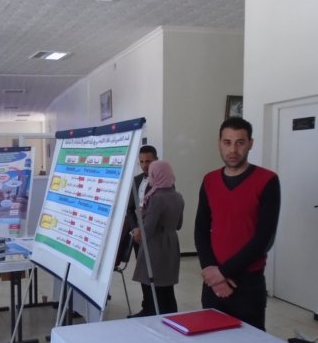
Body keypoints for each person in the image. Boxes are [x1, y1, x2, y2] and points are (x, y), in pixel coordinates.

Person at [194, 117, 281, 330]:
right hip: (213, 280)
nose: (233, 149)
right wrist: (211, 271)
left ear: (250, 143)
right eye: (227, 142)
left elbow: (264, 238)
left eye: (240, 142)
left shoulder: (267, 180)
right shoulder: (209, 180)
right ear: (219, 143)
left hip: (248, 283)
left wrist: (223, 272)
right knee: (211, 339)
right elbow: (201, 229)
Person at [130, 160, 184, 316]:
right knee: (167, 286)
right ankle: (171, 316)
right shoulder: (178, 196)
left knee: (154, 285)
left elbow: (147, 229)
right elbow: (179, 225)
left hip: (155, 245)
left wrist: (138, 228)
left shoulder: (156, 197)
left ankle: (153, 316)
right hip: (171, 243)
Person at [116, 145, 158, 266]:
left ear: (156, 160)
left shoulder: (163, 181)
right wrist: (135, 229)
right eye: (141, 162)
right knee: (141, 268)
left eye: (148, 161)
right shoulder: (136, 180)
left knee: (156, 269)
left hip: (155, 234)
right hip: (138, 234)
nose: (144, 165)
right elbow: (129, 209)